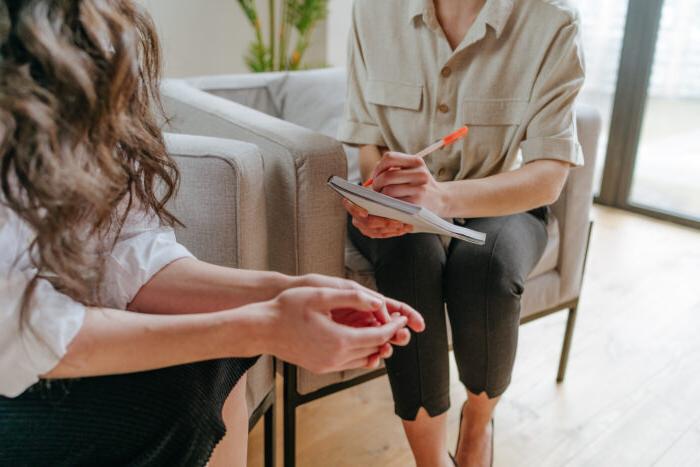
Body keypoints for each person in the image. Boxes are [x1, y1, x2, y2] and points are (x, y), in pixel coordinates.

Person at [0, 1, 425, 466]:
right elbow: (23, 329)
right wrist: (261, 325)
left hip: (32, 336)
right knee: (198, 372)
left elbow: (125, 244)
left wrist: (285, 289)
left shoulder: (98, 34)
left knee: (216, 364)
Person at [339, 0, 585, 465]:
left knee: (486, 267)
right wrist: (388, 194)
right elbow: (367, 141)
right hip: (402, 204)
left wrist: (442, 199)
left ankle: (477, 422)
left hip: (502, 199)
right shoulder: (372, 10)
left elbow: (550, 175)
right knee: (409, 258)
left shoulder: (552, 21)